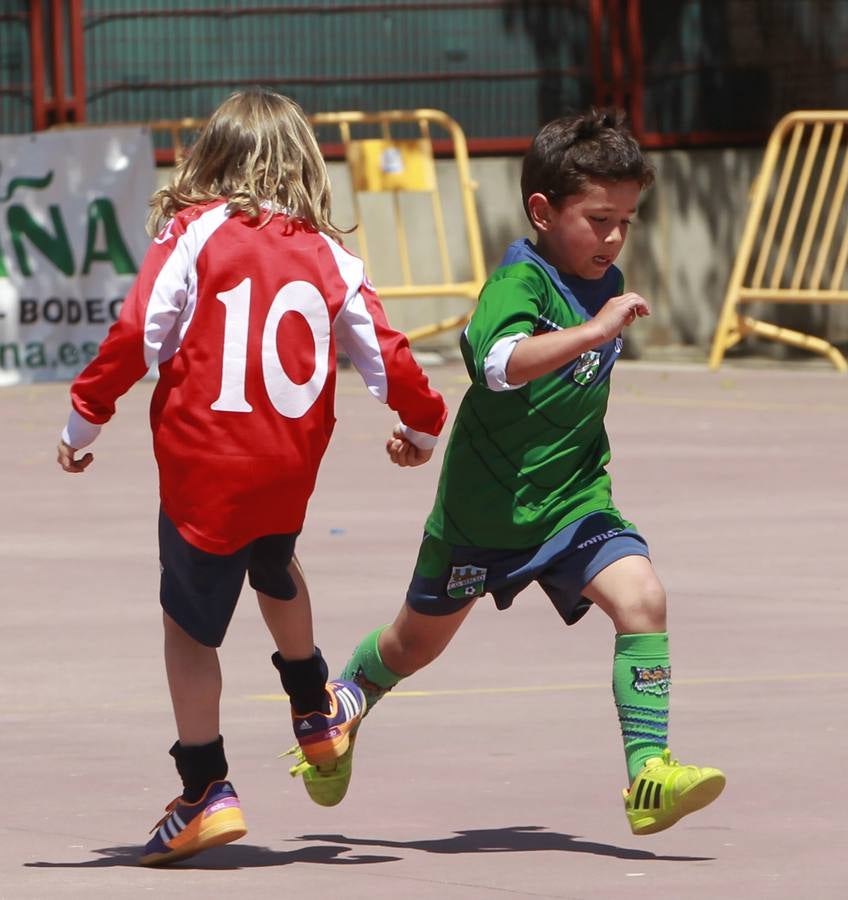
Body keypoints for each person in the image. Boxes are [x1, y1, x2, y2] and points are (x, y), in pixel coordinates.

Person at [285, 109, 726, 837]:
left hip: (574, 502)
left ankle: (650, 774)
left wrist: (598, 319)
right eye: (598, 219)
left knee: (643, 598)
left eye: (627, 220)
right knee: (410, 647)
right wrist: (592, 331)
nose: (614, 237)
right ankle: (338, 712)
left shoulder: (603, 277)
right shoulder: (518, 283)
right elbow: (495, 367)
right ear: (543, 212)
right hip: (483, 515)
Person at [56, 88, 447, 865]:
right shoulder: (329, 254)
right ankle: (315, 705)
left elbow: (139, 328)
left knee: (189, 625)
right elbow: (386, 349)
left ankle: (204, 787)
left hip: (207, 470)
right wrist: (422, 424)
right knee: (273, 561)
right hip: (286, 468)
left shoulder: (194, 232)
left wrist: (84, 417)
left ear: (212, 158)